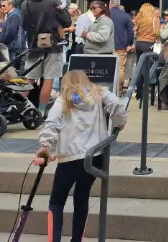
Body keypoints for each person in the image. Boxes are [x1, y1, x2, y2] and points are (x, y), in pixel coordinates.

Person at [35, 70, 127, 242]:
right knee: (82, 197)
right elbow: (118, 104)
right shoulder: (100, 93)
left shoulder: (63, 99)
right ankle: (76, 240)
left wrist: (46, 146)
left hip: (69, 159)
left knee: (56, 202)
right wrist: (120, 122)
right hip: (94, 158)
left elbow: (51, 123)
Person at [21, 0, 72, 116]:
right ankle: (41, 111)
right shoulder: (53, 1)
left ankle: (20, 107)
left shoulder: (26, 3)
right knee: (49, 79)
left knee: (29, 79)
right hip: (53, 45)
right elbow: (67, 22)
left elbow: (24, 26)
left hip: (34, 45)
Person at [110, 0, 134, 93]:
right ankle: (119, 90)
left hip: (107, 46)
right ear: (119, 4)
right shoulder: (126, 16)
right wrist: (129, 43)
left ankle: (109, 88)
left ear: (110, 4)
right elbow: (130, 32)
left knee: (108, 67)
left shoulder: (106, 14)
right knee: (120, 68)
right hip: (121, 46)